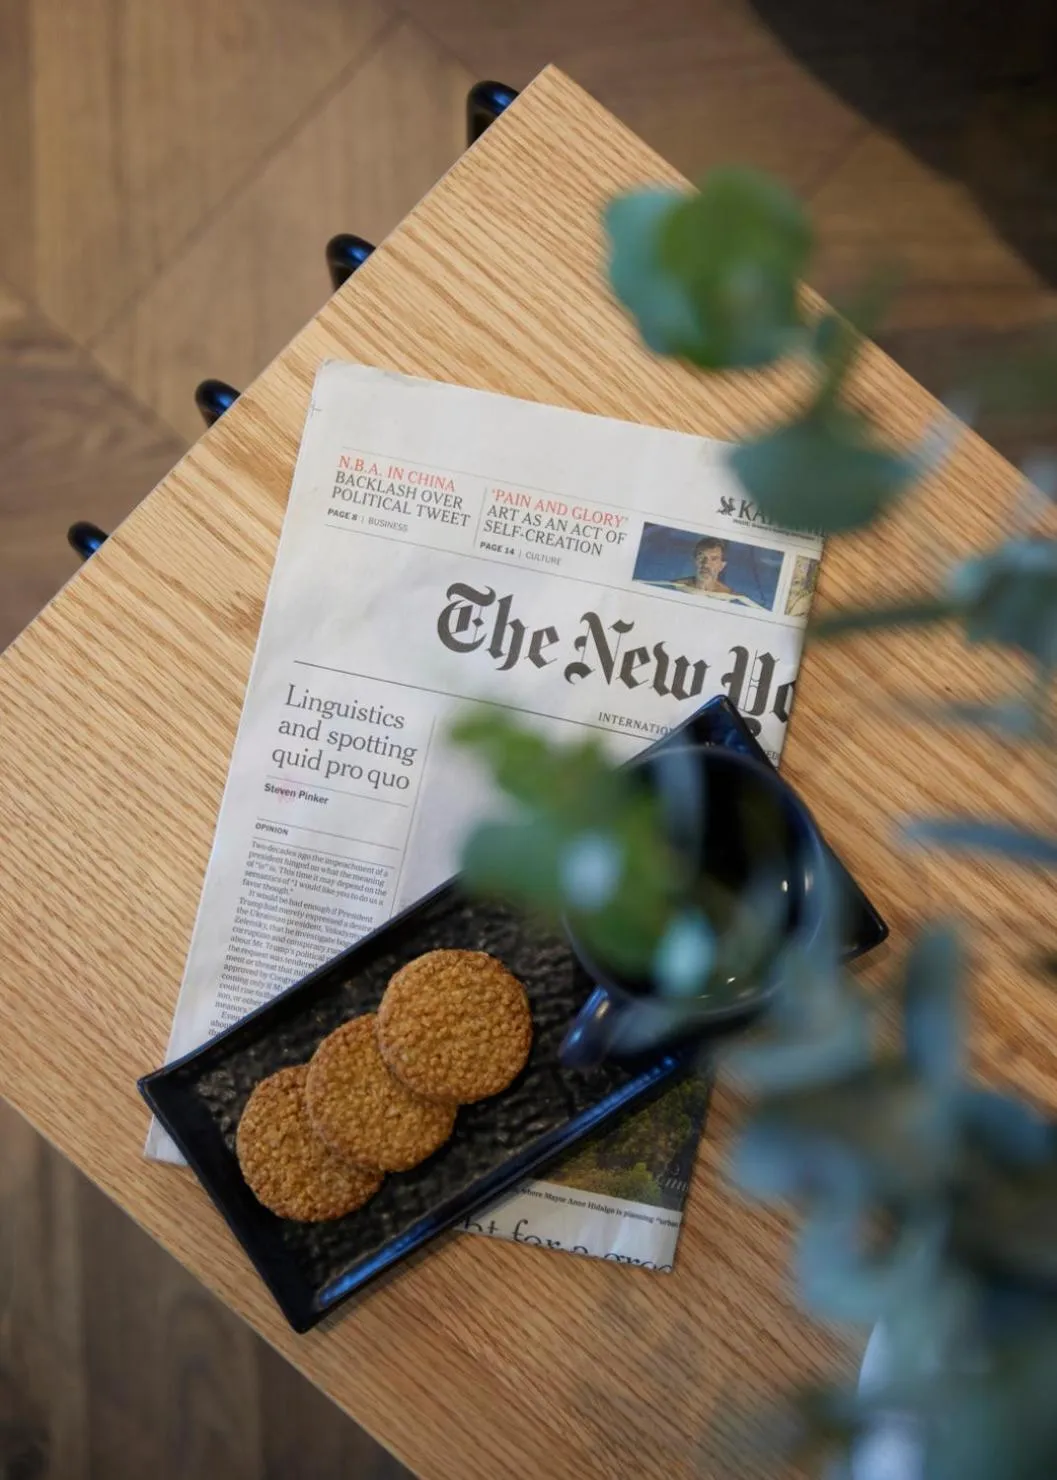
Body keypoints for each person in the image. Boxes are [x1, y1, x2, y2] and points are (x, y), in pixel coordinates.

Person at [668, 536, 763, 607]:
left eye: (713, 559)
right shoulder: (675, 586)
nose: (706, 564)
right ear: (695, 560)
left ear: (722, 566)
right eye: (701, 557)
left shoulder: (733, 597)